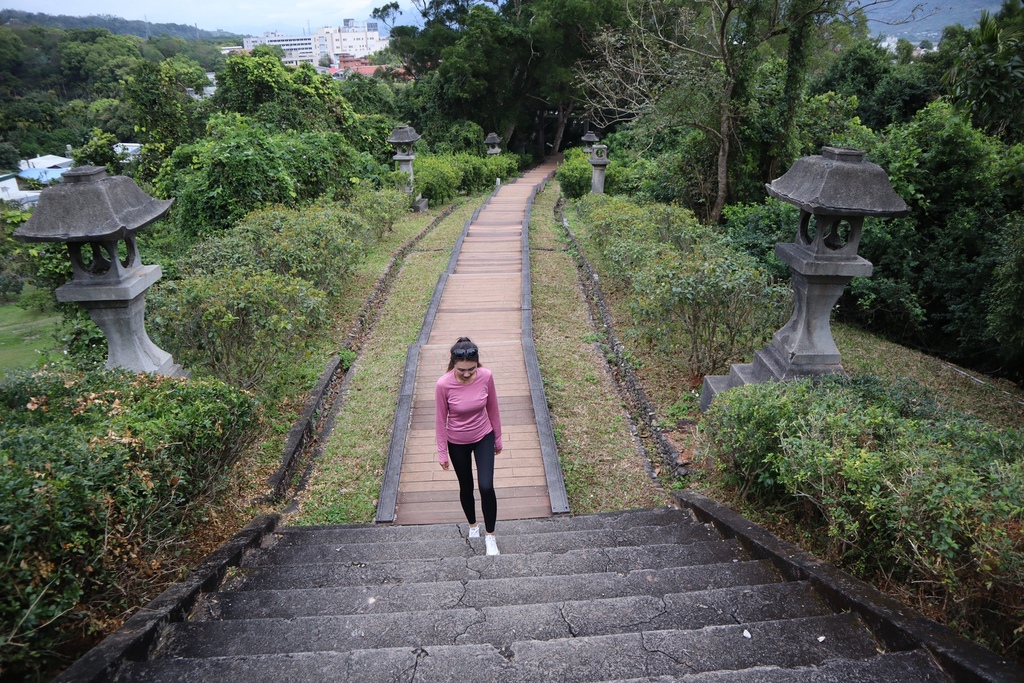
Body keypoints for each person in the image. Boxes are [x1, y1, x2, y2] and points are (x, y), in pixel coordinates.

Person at [435, 337, 503, 555]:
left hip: (484, 435)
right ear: (453, 364)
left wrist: (498, 438)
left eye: (471, 369)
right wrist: (442, 452)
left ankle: (490, 536)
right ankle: (473, 526)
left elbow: (493, 408)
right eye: (462, 370)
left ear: (478, 364)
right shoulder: (443, 384)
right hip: (457, 441)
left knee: (486, 486)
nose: (466, 374)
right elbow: (440, 419)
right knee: (466, 486)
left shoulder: (486, 377)